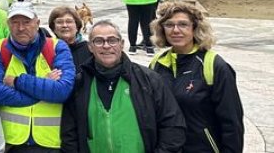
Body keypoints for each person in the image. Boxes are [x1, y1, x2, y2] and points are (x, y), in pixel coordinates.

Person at [61, 20, 185, 153]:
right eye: (98, 41)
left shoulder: (148, 80)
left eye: (112, 40)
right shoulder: (80, 83)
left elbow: (172, 125)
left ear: (122, 44)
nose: (106, 46)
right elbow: (69, 133)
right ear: (90, 47)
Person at [149, 1, 244, 153]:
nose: (175, 30)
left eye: (183, 24)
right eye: (169, 25)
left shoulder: (214, 66)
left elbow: (232, 122)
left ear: (195, 28)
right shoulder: (156, 65)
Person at [0, 1, 75, 152]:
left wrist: (18, 81)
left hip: (50, 143)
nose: (20, 28)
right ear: (7, 24)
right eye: (15, 22)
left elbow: (62, 91)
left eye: (26, 22)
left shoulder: (57, 46)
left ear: (37, 23)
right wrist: (43, 87)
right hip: (11, 142)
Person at [48, 6, 91, 76]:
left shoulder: (90, 49)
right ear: (53, 28)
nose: (64, 25)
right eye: (59, 22)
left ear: (77, 26)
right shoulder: (47, 49)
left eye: (69, 21)